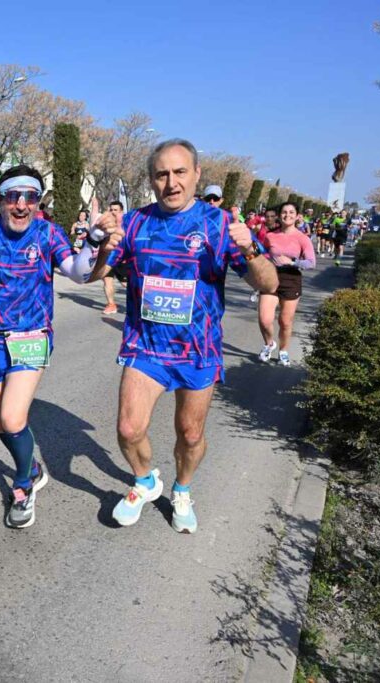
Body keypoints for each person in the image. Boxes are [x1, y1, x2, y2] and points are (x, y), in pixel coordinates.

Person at [93, 139, 277, 534]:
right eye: (162, 174)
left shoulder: (220, 225)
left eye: (180, 172)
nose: (171, 182)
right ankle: (145, 482)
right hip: (147, 347)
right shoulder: (135, 223)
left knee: (190, 434)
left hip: (198, 350)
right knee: (128, 429)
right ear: (151, 180)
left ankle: (182, 489)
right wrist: (100, 245)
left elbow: (269, 283)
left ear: (196, 175)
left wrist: (249, 251)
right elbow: (97, 275)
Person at [0, 166, 121, 528]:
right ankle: (33, 466)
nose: (22, 205)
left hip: (31, 338)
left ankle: (23, 486)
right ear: (0, 200)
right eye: (14, 196)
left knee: (13, 418)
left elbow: (76, 272)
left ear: (38, 201)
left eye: (31, 197)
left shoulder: (47, 232)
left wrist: (92, 239)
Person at [257, 201, 315, 366]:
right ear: (279, 215)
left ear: (297, 216)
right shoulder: (270, 235)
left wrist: (293, 262)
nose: (287, 215)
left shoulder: (302, 238)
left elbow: (311, 262)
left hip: (291, 279)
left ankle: (283, 350)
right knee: (264, 319)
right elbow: (261, 253)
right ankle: (269, 344)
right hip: (271, 278)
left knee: (285, 321)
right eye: (284, 212)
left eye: (291, 212)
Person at [101, 200, 127, 315]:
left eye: (115, 210)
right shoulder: (106, 224)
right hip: (108, 257)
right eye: (111, 210)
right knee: (107, 280)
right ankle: (111, 304)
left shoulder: (127, 224)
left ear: (121, 211)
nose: (113, 212)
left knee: (126, 284)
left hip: (122, 258)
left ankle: (142, 302)